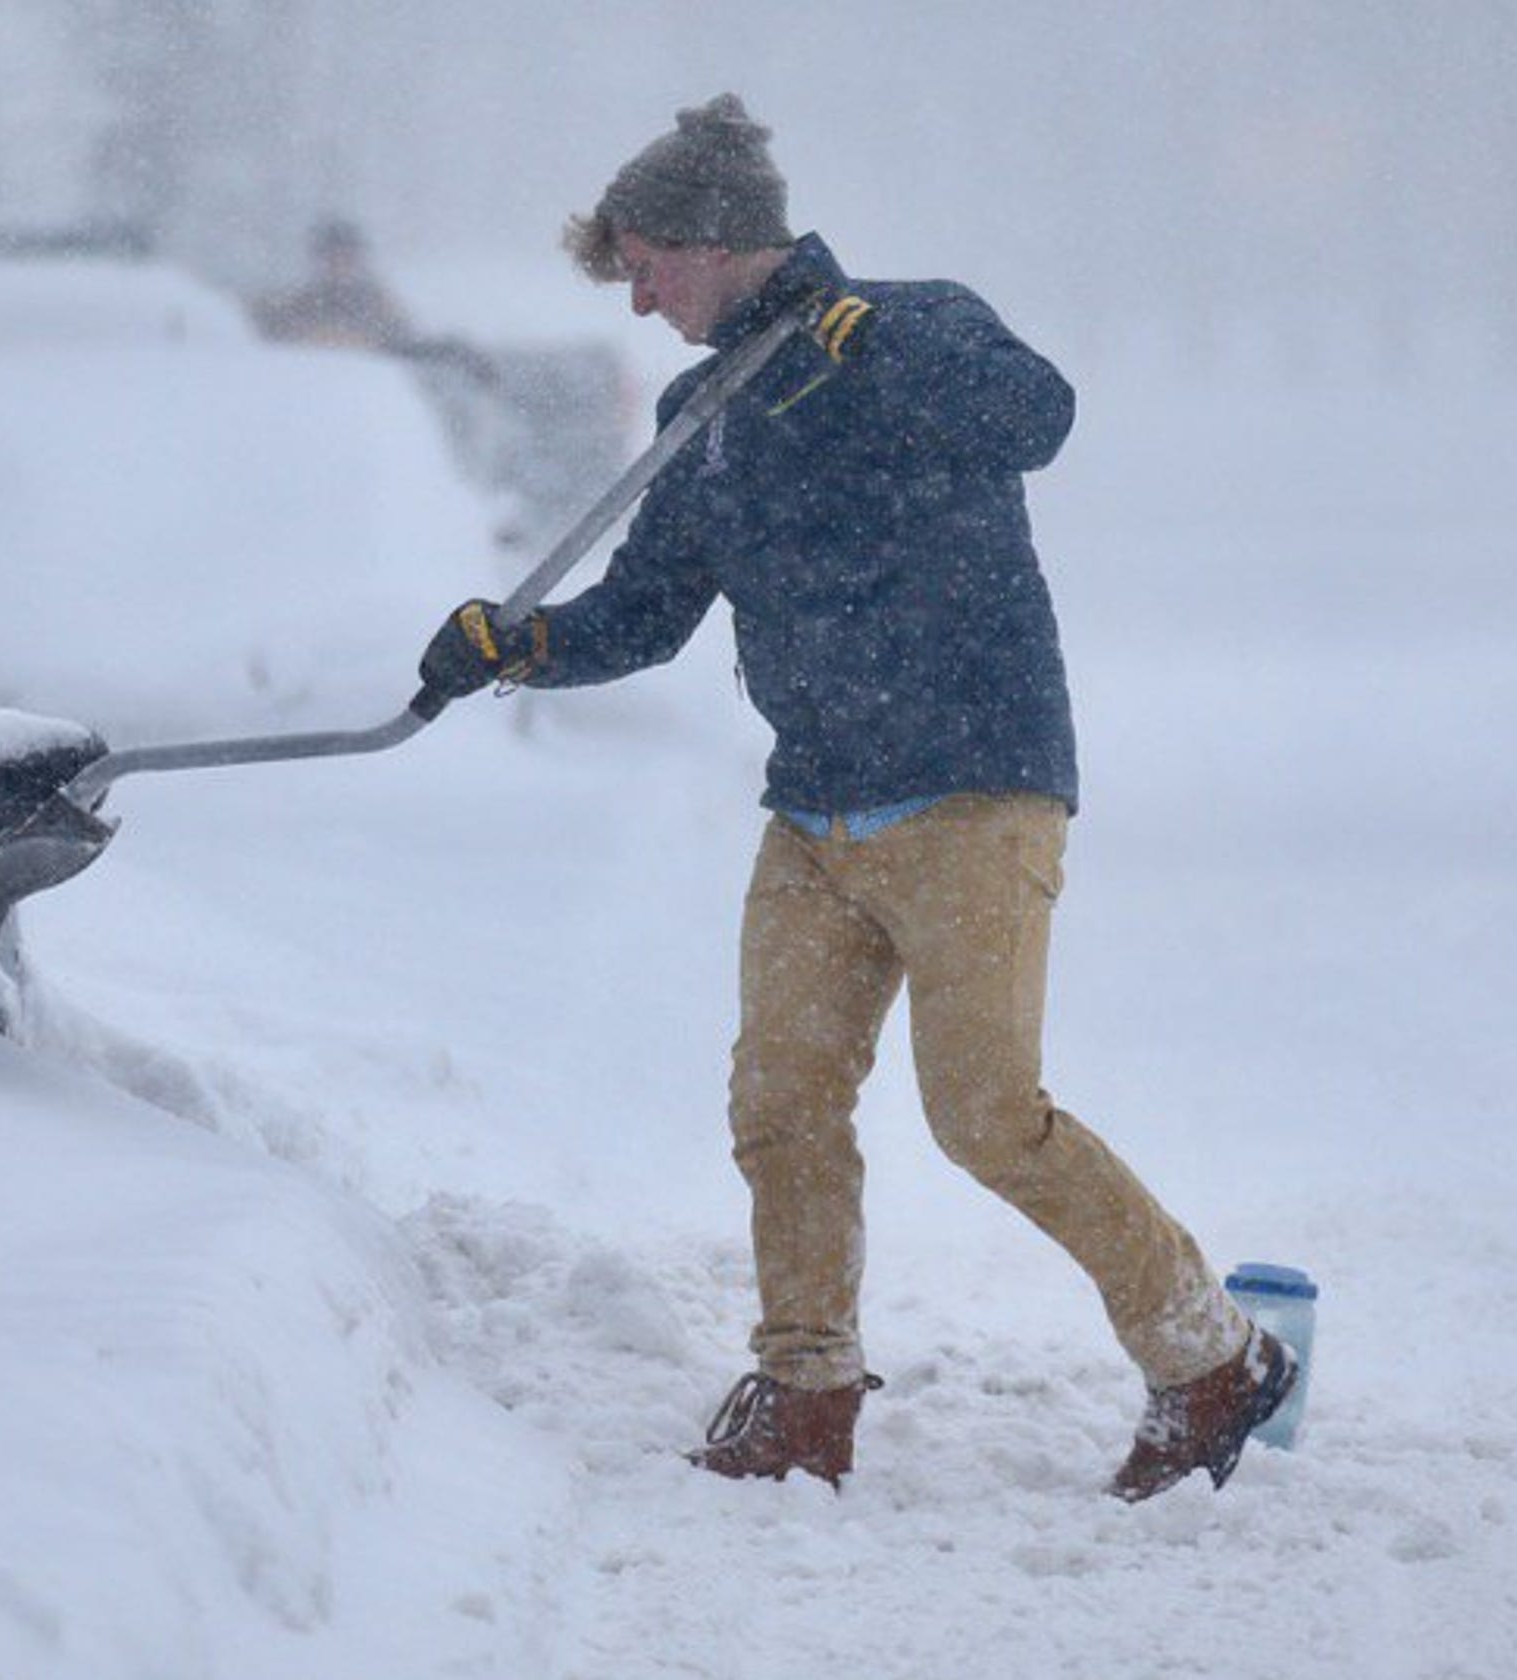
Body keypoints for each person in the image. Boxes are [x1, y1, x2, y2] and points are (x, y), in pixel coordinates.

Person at [415, 94, 1294, 1502]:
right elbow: (647, 613)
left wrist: (870, 351)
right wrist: (517, 645)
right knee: (780, 1106)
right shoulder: (704, 407)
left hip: (970, 789)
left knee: (987, 1116)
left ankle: (1210, 1359)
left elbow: (1037, 418)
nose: (637, 301)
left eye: (647, 265)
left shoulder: (916, 324)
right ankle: (806, 1393)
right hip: (815, 806)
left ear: (717, 241)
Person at [253, 215, 418, 350]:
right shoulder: (298, 304)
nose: (339, 264)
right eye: (332, 257)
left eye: (346, 257)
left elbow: (400, 340)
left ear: (358, 259)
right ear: (319, 260)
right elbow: (273, 341)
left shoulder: (377, 303)